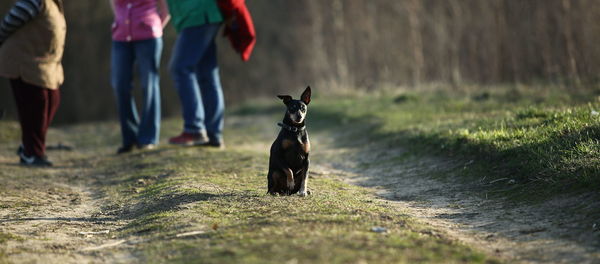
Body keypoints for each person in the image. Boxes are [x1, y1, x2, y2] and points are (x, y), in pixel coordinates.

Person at [0, 0, 66, 166]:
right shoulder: (34, 1)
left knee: (53, 100)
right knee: (35, 106)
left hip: (46, 65)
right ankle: (32, 153)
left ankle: (28, 146)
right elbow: (8, 23)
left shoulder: (54, 3)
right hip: (23, 61)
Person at [109, 0, 170, 154]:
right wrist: (121, 21)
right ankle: (129, 137)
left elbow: (165, 10)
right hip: (121, 37)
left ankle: (148, 138)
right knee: (119, 84)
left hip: (148, 36)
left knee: (149, 85)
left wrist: (154, 27)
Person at [166, 0, 225, 148]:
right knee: (207, 73)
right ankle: (213, 134)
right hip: (202, 14)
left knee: (180, 68)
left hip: (197, 14)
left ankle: (194, 129)